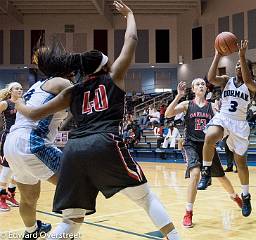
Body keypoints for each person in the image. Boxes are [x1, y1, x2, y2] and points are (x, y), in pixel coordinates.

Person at [14, 1, 180, 239]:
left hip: (73, 150)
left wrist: (17, 100)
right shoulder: (114, 77)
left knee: (71, 220)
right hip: (104, 142)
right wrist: (130, 15)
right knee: (146, 197)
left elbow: (31, 114)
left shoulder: (71, 91)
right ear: (105, 64)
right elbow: (131, 40)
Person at [4, 51, 76, 239]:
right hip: (32, 141)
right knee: (76, 184)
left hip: (12, 143)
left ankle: (31, 232)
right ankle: (67, 232)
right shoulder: (62, 82)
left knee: (29, 198)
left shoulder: (36, 86)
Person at [165, 79, 242, 228]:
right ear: (193, 89)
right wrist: (178, 96)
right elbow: (168, 114)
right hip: (191, 144)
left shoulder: (212, 106)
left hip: (208, 146)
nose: (201, 85)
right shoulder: (187, 104)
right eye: (197, 84)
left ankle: (235, 197)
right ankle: (188, 212)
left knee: (221, 176)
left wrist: (222, 110)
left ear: (206, 89)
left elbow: (224, 122)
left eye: (203, 84)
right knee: (195, 174)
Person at [197, 40, 256, 218]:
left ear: (247, 67)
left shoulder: (251, 85)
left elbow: (247, 79)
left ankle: (245, 196)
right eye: (237, 64)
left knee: (241, 163)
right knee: (210, 136)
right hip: (224, 117)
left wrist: (242, 55)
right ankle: (206, 172)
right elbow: (210, 78)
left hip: (239, 124)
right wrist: (217, 55)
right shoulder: (226, 81)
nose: (238, 66)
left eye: (241, 64)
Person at [0, 82, 23, 211]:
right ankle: (1, 198)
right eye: (16, 88)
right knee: (7, 169)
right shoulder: (5, 104)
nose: (20, 90)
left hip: (19, 138)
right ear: (11, 91)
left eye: (21, 88)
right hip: (8, 137)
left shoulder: (23, 103)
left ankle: (10, 195)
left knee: (17, 169)